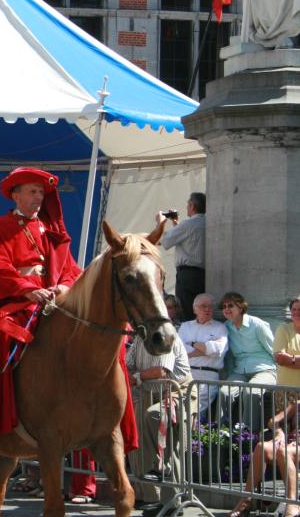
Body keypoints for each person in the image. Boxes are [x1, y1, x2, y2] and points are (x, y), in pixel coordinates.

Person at [0, 167, 90, 456]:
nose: (38, 198)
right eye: (32, 191)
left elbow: (71, 269)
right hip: (17, 301)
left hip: (53, 299)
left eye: (41, 193)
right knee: (0, 337)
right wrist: (27, 289)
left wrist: (63, 286)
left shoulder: (51, 231)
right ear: (16, 194)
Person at [126, 333, 193, 517]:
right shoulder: (139, 339)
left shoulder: (165, 335)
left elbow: (161, 370)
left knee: (160, 427)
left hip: (176, 392)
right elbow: (127, 365)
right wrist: (134, 375)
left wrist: (137, 376)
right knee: (137, 441)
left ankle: (172, 503)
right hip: (149, 392)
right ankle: (152, 500)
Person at [229, 400, 300, 517]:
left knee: (283, 451)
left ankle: (292, 503)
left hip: (295, 447)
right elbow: (273, 421)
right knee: (261, 447)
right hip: (289, 445)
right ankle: (246, 500)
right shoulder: (297, 405)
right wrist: (279, 432)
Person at [220, 291, 276, 430]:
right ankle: (219, 431)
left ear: (240, 307)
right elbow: (229, 356)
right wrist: (229, 374)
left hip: (264, 370)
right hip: (239, 371)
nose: (226, 309)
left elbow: (273, 350)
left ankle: (249, 433)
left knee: (251, 392)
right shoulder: (226, 327)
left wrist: (278, 374)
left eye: (230, 305)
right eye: (224, 306)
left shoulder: (256, 324)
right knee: (224, 392)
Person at [154, 192, 206, 318]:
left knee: (185, 311)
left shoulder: (188, 225)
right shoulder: (206, 223)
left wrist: (160, 223)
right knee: (199, 310)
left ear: (193, 206)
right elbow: (187, 239)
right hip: (203, 275)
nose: (186, 207)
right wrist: (176, 223)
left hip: (187, 275)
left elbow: (164, 240)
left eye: (188, 204)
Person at [178, 293, 228, 417]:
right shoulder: (185, 327)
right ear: (195, 309)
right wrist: (205, 349)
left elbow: (217, 350)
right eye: (203, 306)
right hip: (186, 373)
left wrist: (192, 343)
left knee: (196, 412)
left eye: (210, 306)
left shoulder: (220, 328)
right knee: (179, 409)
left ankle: (193, 435)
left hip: (208, 375)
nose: (207, 309)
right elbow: (180, 351)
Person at [272, 295, 300, 414]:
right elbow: (280, 359)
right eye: (293, 309)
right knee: (286, 427)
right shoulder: (283, 329)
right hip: (287, 391)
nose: (296, 312)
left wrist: (292, 359)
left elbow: (286, 359)